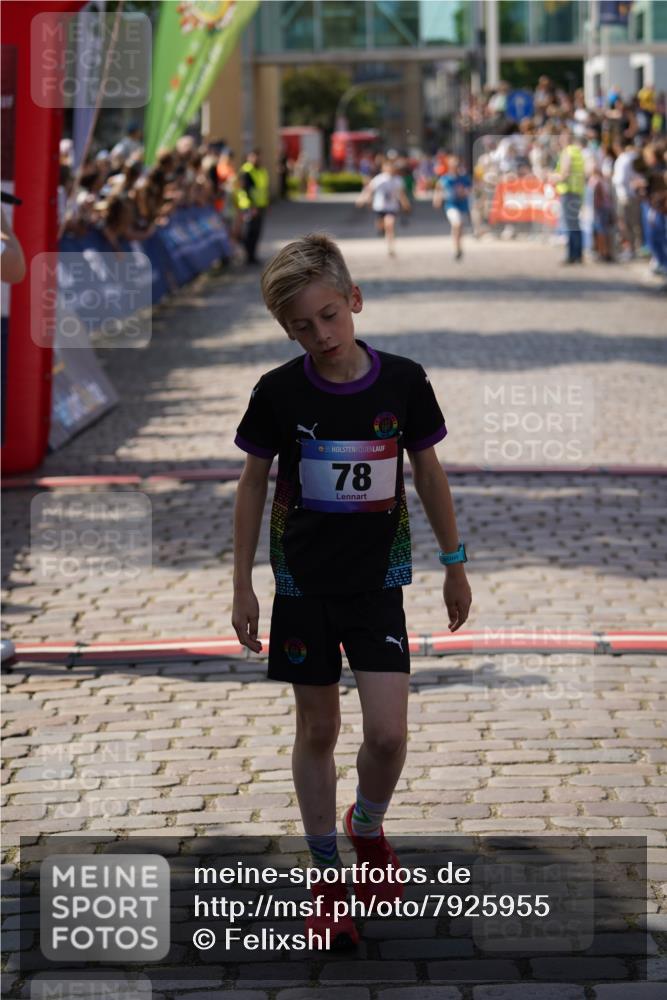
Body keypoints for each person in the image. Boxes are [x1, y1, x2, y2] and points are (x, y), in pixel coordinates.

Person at [231, 233, 472, 949]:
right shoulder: (277, 391)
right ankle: (326, 878)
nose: (320, 335)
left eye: (329, 316)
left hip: (377, 584)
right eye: (300, 327)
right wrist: (241, 581)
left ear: (354, 301)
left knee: (389, 734)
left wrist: (454, 563)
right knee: (318, 730)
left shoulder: (402, 380)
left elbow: (427, 474)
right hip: (301, 585)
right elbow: (251, 485)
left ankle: (364, 825)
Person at [356, 159, 410, 257]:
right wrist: (362, 199)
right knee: (381, 225)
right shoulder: (379, 179)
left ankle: (391, 248)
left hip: (392, 207)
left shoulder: (398, 180)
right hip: (380, 207)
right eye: (388, 167)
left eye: (392, 167)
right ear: (383, 168)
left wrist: (405, 204)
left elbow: (401, 194)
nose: (390, 169)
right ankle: (381, 229)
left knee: (390, 224)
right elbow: (369, 190)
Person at [553, 131, 586, 264]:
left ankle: (573, 255)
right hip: (577, 191)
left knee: (570, 225)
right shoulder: (577, 152)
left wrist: (553, 177)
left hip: (568, 191)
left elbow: (564, 173)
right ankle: (577, 254)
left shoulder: (567, 152)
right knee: (575, 224)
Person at [433, 154, 472, 260]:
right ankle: (456, 248)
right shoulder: (445, 178)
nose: (455, 165)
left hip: (462, 205)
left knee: (460, 227)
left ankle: (459, 246)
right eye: (452, 163)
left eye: (456, 163)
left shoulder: (464, 178)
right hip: (451, 205)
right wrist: (437, 199)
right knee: (456, 224)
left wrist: (464, 193)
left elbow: (469, 190)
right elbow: (438, 189)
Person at [237, 149, 270, 265]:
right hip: (249, 206)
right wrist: (252, 206)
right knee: (249, 231)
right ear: (249, 157)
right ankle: (247, 255)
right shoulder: (246, 171)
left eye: (258, 156)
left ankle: (252, 255)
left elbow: (263, 189)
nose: (257, 159)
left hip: (260, 206)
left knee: (257, 231)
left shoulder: (261, 171)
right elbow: (246, 190)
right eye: (254, 156)